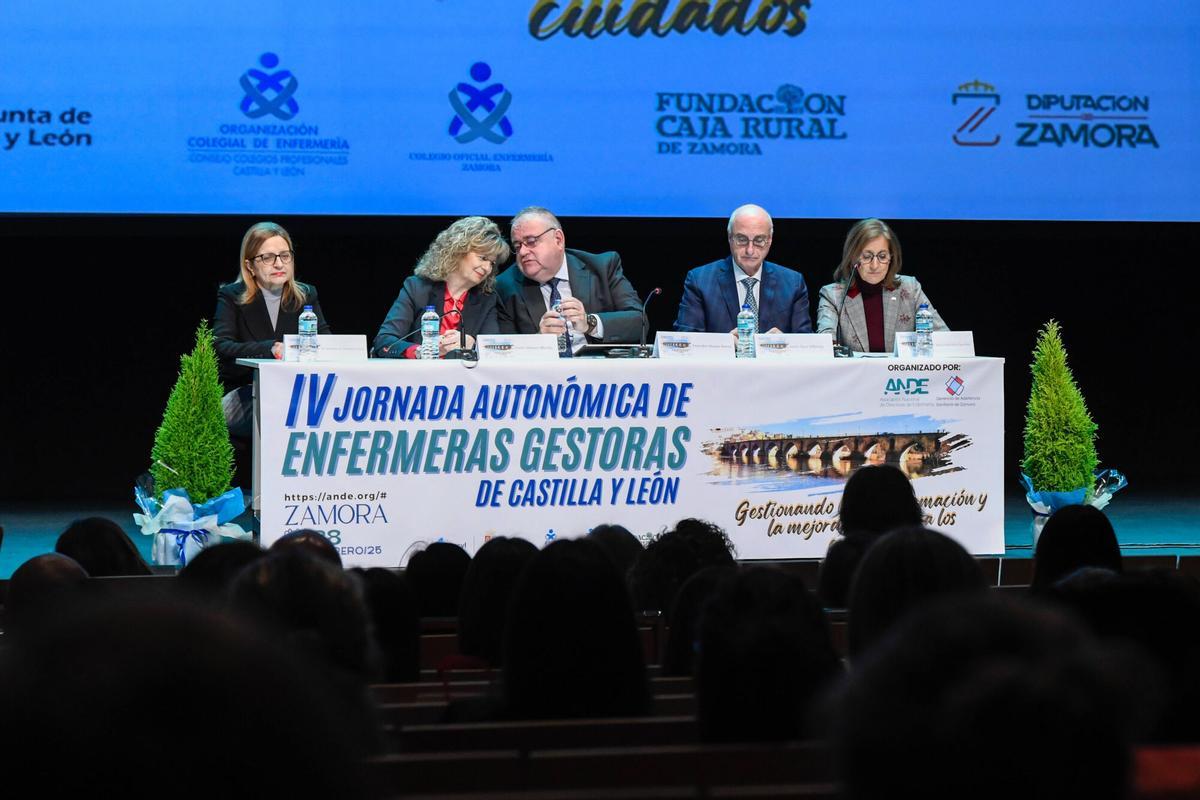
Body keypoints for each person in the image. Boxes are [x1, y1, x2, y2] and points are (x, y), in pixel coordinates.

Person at [213, 221, 331, 437]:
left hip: (296, 390)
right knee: (280, 413)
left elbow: (325, 342)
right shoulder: (231, 296)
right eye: (268, 258)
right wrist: (270, 349)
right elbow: (221, 346)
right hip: (245, 390)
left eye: (285, 256)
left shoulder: (306, 295)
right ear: (250, 266)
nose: (279, 264)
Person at [493, 206, 643, 348]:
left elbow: (639, 322)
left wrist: (590, 323)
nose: (523, 252)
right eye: (517, 246)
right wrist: (539, 340)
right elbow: (502, 351)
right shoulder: (504, 286)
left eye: (531, 242)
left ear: (558, 239)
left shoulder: (602, 267)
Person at [372, 216, 508, 358]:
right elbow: (384, 342)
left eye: (492, 263)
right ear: (458, 250)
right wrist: (422, 351)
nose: (487, 268)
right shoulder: (417, 288)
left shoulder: (487, 299)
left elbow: (496, 352)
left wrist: (473, 344)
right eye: (483, 258)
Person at [673, 204, 812, 335]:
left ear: (769, 240)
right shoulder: (700, 280)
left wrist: (785, 343)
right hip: (722, 361)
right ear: (730, 238)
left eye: (759, 240)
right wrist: (724, 344)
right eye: (742, 239)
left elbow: (807, 344)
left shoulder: (792, 283)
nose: (750, 250)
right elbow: (687, 341)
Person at [816, 218, 946, 354]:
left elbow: (944, 339)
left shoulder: (910, 288)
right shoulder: (833, 296)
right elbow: (824, 345)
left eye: (882, 256)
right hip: (854, 374)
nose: (875, 265)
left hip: (900, 375)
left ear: (891, 257)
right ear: (853, 257)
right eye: (867, 257)